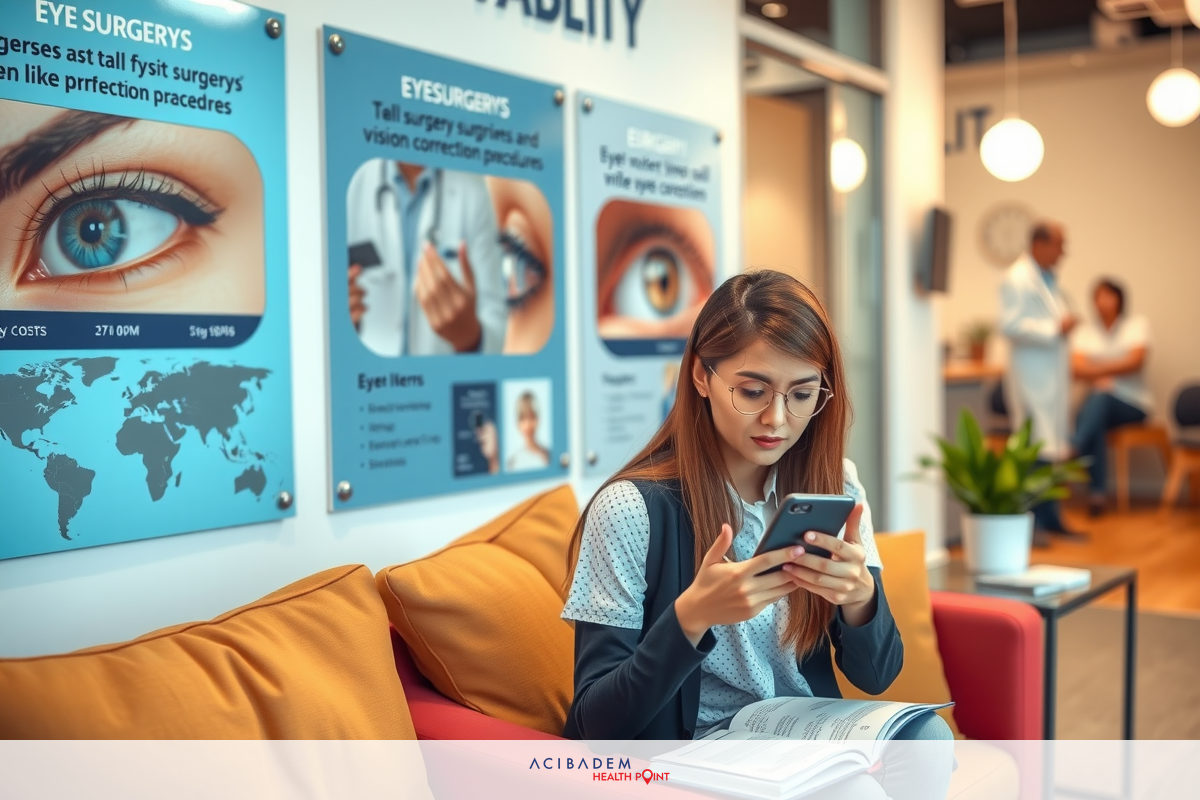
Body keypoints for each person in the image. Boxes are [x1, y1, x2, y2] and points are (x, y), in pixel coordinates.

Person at [560, 271, 953, 800]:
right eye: (752, 390)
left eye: (801, 394)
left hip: (796, 731)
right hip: (686, 750)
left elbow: (877, 676)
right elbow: (593, 725)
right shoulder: (631, 509)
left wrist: (861, 599)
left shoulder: (834, 486)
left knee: (929, 740)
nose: (777, 419)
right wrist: (690, 617)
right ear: (702, 375)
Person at [346, 160, 506, 357]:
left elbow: (496, 324)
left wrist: (470, 337)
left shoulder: (473, 189)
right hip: (368, 376)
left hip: (438, 378)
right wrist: (339, 325)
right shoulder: (352, 180)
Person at [999, 221, 1081, 539]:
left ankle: (1050, 518)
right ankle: (1034, 522)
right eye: (1060, 244)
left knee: (1049, 449)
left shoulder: (1047, 279)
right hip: (1031, 376)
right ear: (1040, 243)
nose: (1063, 252)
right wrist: (1055, 329)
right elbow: (1010, 325)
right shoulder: (1016, 279)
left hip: (1049, 376)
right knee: (1036, 448)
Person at [1070, 278, 1152, 516]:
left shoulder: (1137, 325)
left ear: (1119, 299)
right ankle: (1097, 497)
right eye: (1097, 296)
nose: (1102, 302)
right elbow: (1075, 369)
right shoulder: (1085, 331)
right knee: (1097, 412)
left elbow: (1136, 362)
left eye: (1108, 295)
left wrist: (1096, 370)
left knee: (1100, 400)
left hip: (1133, 403)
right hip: (1098, 406)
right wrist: (1116, 367)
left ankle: (1075, 446)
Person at [506, 391, 550, 472]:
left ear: (538, 419)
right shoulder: (513, 462)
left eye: (532, 417)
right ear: (518, 423)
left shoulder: (549, 455)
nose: (528, 424)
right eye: (523, 418)